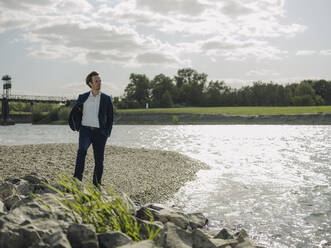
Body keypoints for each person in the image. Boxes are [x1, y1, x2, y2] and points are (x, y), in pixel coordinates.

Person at [69, 71, 114, 186]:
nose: (99, 83)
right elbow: (75, 113)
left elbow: (110, 117)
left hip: (100, 133)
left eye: (100, 81)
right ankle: (77, 181)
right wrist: (76, 126)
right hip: (85, 131)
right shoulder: (83, 97)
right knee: (81, 153)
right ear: (90, 83)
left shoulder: (106, 99)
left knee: (99, 160)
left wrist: (107, 133)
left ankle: (96, 184)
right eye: (96, 81)